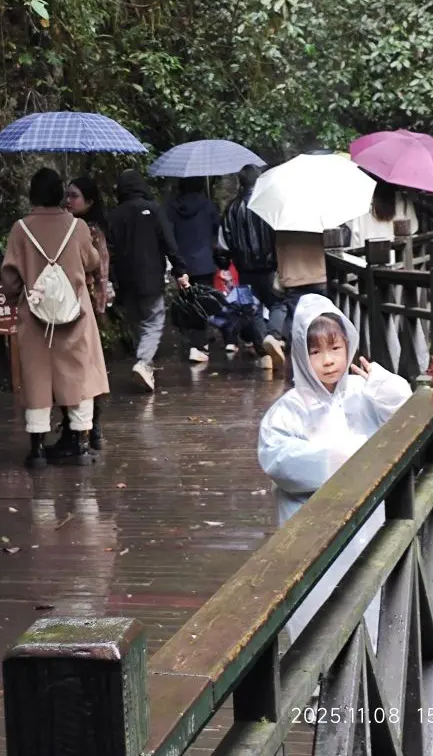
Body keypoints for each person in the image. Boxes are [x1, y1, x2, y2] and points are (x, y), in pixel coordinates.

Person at [258, 294, 411, 642]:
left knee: (374, 593)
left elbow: (405, 414)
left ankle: (377, 658)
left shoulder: (362, 391)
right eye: (315, 352)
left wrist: (383, 385)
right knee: (319, 606)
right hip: (314, 526)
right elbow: (277, 458)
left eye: (335, 349)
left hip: (371, 519)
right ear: (300, 354)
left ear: (349, 346)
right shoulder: (289, 409)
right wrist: (334, 461)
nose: (327, 361)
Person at [1, 168, 109, 468]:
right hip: (75, 313)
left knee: (36, 376)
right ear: (60, 194)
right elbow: (92, 261)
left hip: (35, 315)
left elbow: (10, 278)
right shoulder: (77, 226)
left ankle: (37, 448)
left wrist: (19, 293)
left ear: (32, 194)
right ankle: (82, 444)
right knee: (78, 374)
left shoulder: (20, 229)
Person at [107, 170, 189, 392]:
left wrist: (111, 280)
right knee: (154, 320)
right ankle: (143, 362)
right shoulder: (153, 209)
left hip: (125, 280)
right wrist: (180, 270)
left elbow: (109, 251)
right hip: (151, 277)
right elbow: (168, 242)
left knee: (137, 321)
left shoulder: (114, 215)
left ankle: (145, 365)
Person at [49, 177, 113, 457]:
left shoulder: (89, 230)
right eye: (66, 195)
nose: (68, 201)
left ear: (90, 201)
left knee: (82, 370)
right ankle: (82, 428)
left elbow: (99, 270)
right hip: (70, 305)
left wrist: (98, 307)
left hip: (83, 308)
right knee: (78, 369)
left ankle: (85, 429)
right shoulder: (70, 226)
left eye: (74, 196)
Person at [218, 164, 287, 373]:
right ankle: (273, 336)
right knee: (279, 303)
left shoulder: (232, 208)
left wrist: (225, 263)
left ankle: (265, 353)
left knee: (253, 310)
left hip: (245, 271)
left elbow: (223, 244)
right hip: (270, 268)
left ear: (240, 182)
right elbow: (280, 235)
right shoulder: (270, 205)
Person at [166, 177, 221, 362]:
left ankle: (192, 341)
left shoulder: (172, 208)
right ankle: (199, 344)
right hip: (204, 262)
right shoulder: (207, 205)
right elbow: (217, 228)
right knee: (203, 303)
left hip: (182, 263)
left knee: (187, 303)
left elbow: (169, 234)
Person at [347, 178, 419, 250]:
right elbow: (413, 228)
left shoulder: (361, 201)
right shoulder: (404, 200)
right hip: (393, 252)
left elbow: (355, 232)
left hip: (365, 252)